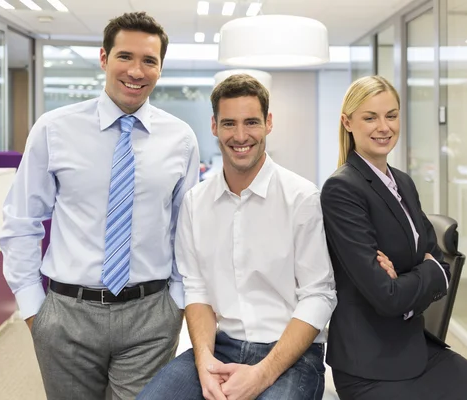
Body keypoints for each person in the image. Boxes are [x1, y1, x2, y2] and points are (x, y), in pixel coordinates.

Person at [0, 12, 200, 400]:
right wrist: (33, 310)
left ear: (160, 67)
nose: (136, 71)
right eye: (125, 56)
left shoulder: (181, 139)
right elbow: (21, 220)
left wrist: (176, 303)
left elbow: (187, 230)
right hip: (66, 315)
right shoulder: (54, 129)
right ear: (104, 58)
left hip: (150, 315)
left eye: (149, 61)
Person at [137, 74, 337, 400]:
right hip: (222, 347)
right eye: (229, 123)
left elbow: (319, 295)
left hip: (292, 357)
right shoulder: (196, 203)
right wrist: (203, 362)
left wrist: (262, 374)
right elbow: (197, 289)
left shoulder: (301, 197)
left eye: (251, 123)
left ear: (268, 123)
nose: (240, 136)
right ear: (214, 126)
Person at [320, 75, 467, 400]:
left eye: (391, 115)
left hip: (416, 346)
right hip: (369, 366)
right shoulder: (342, 188)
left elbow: (441, 267)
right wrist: (425, 273)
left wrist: (416, 276)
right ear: (348, 122)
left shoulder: (403, 182)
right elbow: (388, 296)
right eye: (370, 117)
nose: (383, 127)